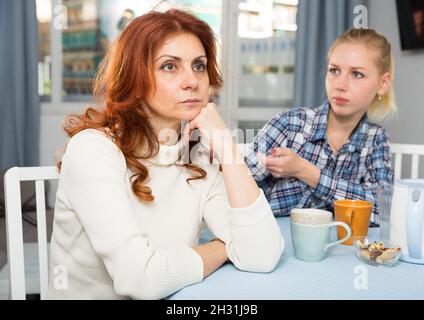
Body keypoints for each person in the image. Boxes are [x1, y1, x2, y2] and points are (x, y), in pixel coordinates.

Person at [46, 9, 283, 300]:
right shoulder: (93, 150)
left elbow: (262, 255)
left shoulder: (198, 154)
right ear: (134, 77)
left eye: (199, 66)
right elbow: (141, 280)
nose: (192, 81)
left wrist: (227, 148)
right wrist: (225, 248)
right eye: (170, 67)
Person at [245, 28, 396, 226]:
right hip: (265, 238)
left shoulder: (375, 139)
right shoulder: (290, 124)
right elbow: (236, 183)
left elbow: (384, 211)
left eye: (357, 74)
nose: (340, 85)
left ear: (382, 84)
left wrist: (307, 172)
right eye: (334, 71)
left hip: (332, 250)